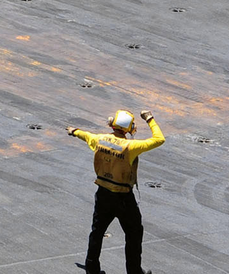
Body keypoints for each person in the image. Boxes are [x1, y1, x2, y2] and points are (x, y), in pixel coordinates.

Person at [69, 109, 164, 274]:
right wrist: (149, 119)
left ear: (112, 124)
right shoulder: (131, 146)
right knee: (134, 233)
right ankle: (134, 271)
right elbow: (159, 139)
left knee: (97, 231)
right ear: (130, 129)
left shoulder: (100, 140)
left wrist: (74, 131)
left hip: (103, 194)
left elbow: (86, 135)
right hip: (123, 198)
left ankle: (92, 268)